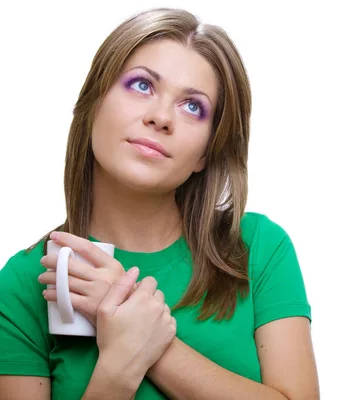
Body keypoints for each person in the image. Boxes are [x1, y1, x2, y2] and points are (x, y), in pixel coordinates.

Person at [0, 7, 319, 400]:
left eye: (192, 107)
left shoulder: (257, 249)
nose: (161, 117)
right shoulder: (25, 280)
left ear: (206, 152)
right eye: (141, 85)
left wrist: (151, 338)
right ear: (93, 102)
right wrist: (120, 364)